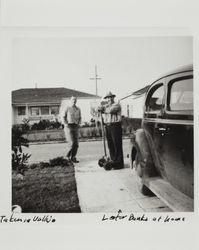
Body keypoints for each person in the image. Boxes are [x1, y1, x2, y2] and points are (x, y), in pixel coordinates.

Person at [98, 91, 124, 169]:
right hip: (108, 126)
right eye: (107, 98)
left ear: (113, 97)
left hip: (115, 126)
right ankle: (113, 161)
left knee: (117, 144)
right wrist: (100, 108)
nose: (109, 99)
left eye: (110, 97)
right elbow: (99, 109)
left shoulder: (116, 105)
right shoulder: (106, 105)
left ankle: (119, 163)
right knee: (110, 145)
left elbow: (110, 110)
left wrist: (102, 109)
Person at [63, 96, 81, 163]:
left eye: (75, 100)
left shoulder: (78, 109)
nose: (74, 101)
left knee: (76, 144)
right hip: (69, 126)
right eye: (73, 100)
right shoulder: (67, 108)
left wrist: (78, 124)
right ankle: (67, 157)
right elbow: (63, 116)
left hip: (75, 126)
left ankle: (73, 157)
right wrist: (66, 124)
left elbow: (80, 117)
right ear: (70, 100)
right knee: (72, 143)